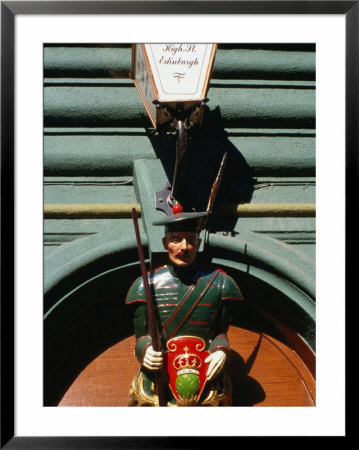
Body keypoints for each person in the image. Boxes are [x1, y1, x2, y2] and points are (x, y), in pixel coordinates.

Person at [125, 212, 243, 406]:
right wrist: (145, 350)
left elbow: (220, 333)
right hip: (160, 378)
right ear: (165, 243)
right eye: (176, 239)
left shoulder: (221, 283)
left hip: (205, 379)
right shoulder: (144, 285)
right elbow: (141, 336)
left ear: (198, 244)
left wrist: (221, 350)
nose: (184, 247)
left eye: (190, 240)